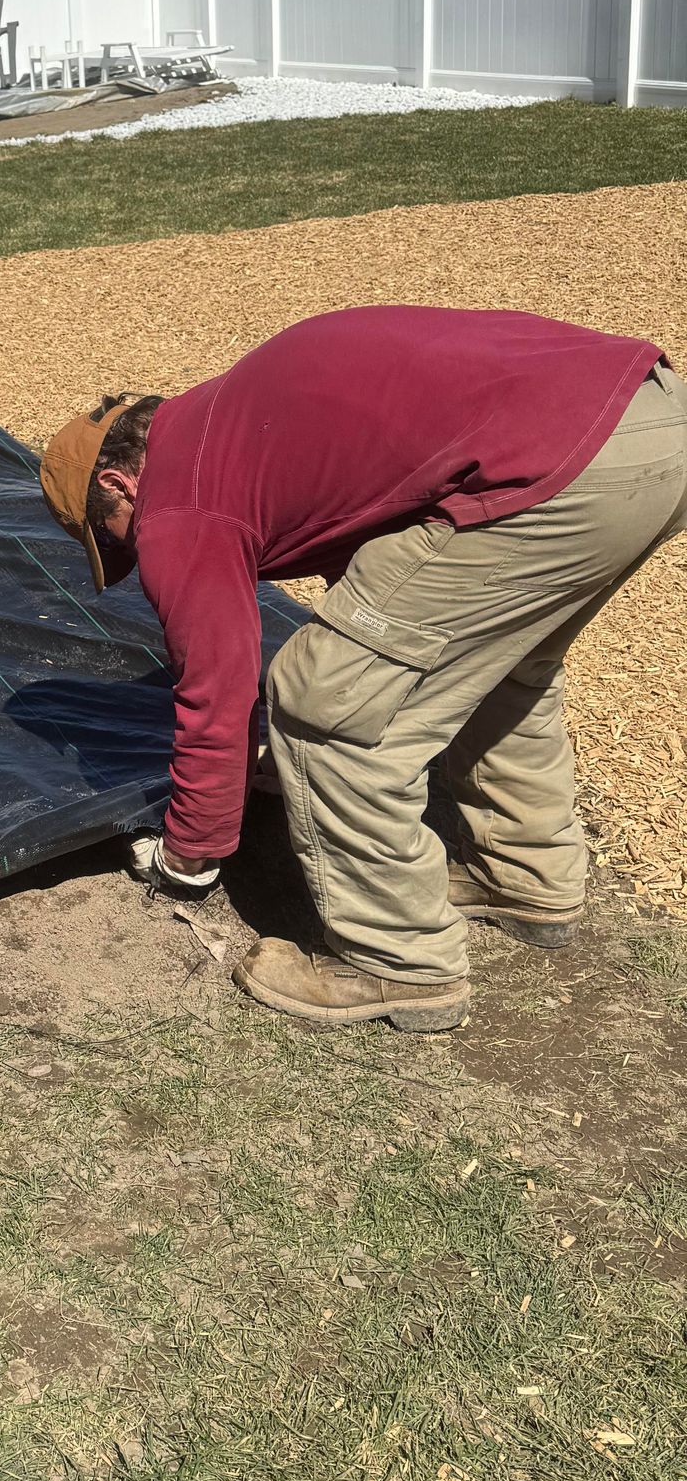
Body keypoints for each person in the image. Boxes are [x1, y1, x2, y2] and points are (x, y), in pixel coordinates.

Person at [36, 308, 684, 1033]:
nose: (139, 555)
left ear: (122, 487)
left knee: (324, 708)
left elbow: (218, 688)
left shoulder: (180, 500)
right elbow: (385, 561)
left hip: (556, 466)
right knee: (496, 671)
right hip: (647, 417)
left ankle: (397, 965)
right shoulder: (239, 422)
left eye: (118, 540)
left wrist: (191, 853)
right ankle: (526, 876)